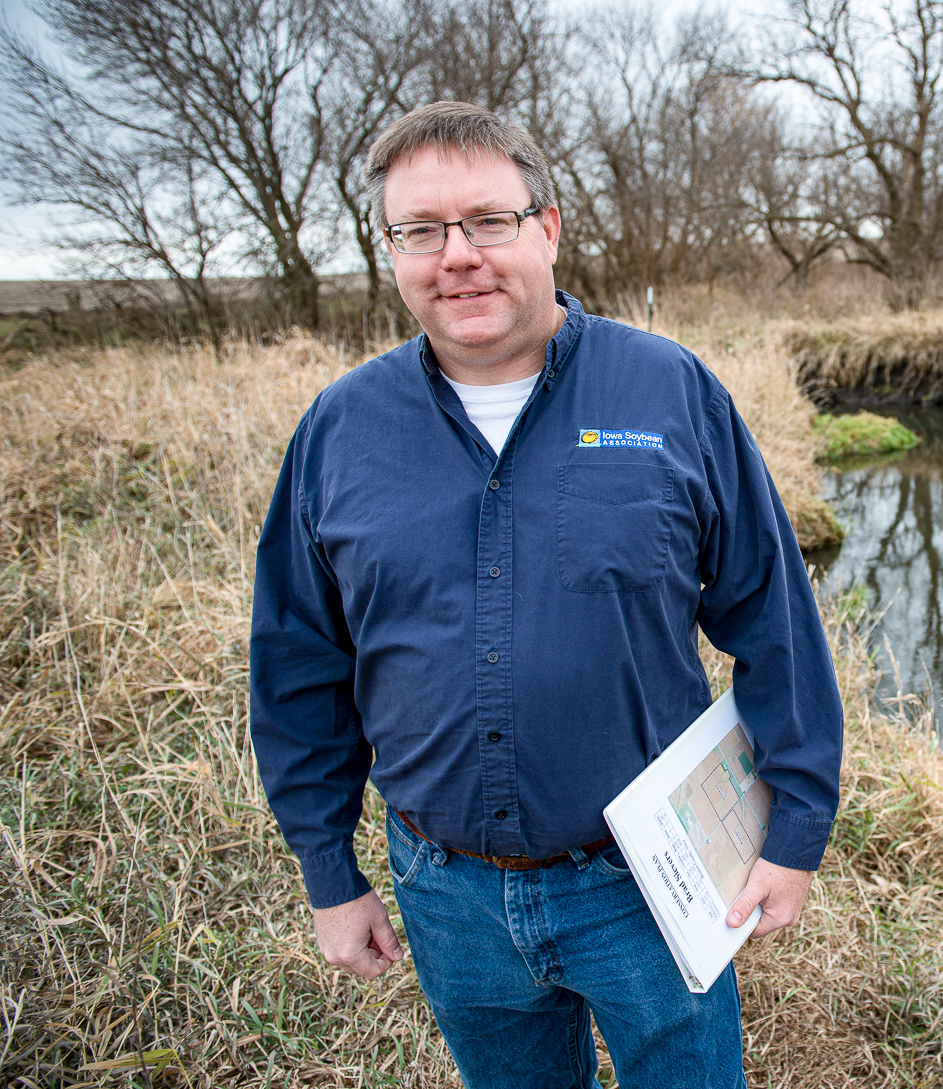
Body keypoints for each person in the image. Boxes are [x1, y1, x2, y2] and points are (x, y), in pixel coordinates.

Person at [248, 101, 845, 1089]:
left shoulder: (671, 393)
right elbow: (300, 663)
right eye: (421, 231)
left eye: (488, 221)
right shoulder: (338, 431)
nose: (459, 256)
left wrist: (795, 831)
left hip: (649, 883)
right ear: (390, 250)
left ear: (549, 227)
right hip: (447, 895)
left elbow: (773, 616)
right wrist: (327, 871)